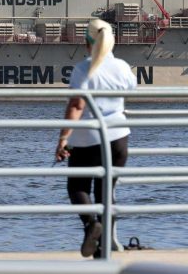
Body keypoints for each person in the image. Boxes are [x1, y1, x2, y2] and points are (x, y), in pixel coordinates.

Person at [55, 18, 136, 258]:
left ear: (86, 42)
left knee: (77, 187)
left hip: (86, 138)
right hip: (119, 137)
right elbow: (131, 90)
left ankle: (91, 224)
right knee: (106, 193)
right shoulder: (122, 66)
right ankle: (104, 249)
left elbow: (76, 105)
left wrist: (62, 139)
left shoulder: (83, 68)